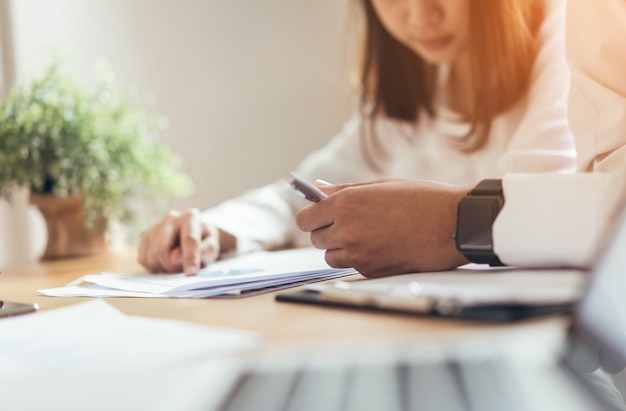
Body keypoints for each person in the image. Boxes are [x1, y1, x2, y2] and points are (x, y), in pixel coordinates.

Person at [139, 0, 574, 274]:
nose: (421, 14)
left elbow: (545, 203)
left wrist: (439, 224)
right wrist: (216, 227)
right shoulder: (414, 86)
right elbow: (297, 195)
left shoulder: (568, 35)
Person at [295, 0, 626, 278]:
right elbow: (306, 190)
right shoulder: (417, 78)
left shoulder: (565, 32)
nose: (422, 16)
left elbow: (544, 195)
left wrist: (445, 221)